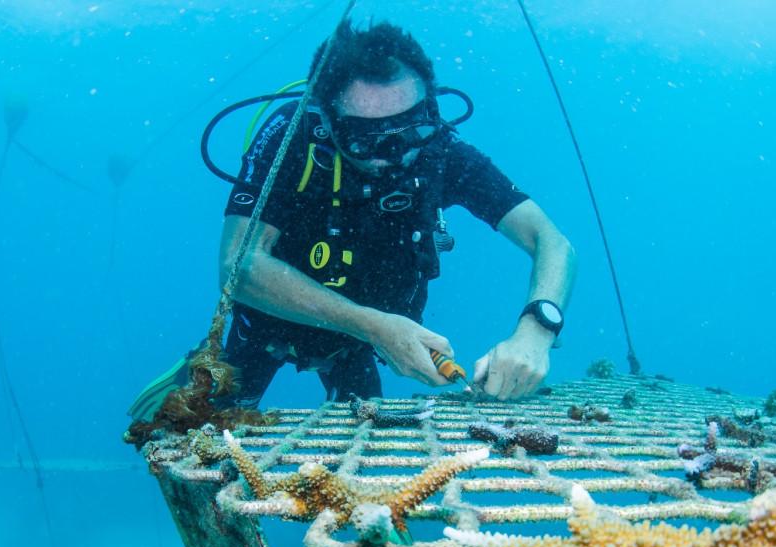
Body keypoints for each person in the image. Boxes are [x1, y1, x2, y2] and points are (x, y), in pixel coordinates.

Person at [129, 20, 575, 423]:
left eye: (411, 128)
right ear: (326, 120)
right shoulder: (291, 140)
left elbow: (551, 242)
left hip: (358, 345)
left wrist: (535, 331)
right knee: (191, 431)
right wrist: (376, 325)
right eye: (367, 139)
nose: (397, 154)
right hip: (269, 328)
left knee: (366, 476)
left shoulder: (441, 153)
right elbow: (238, 267)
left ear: (431, 111)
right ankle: (192, 377)